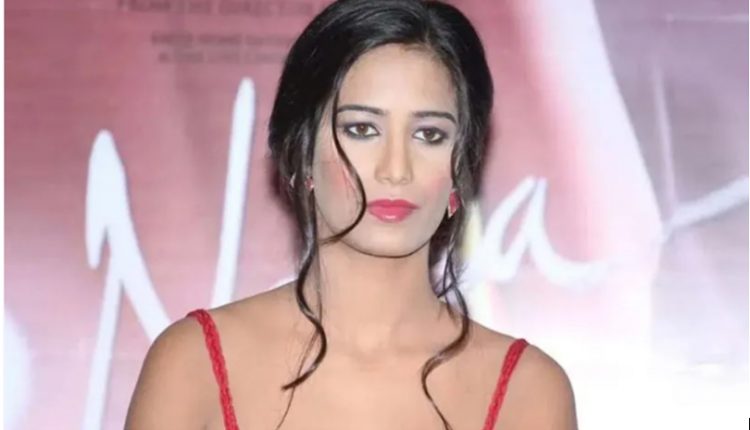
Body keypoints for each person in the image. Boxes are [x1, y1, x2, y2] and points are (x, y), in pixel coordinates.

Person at [124, 0, 577, 429]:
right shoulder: (194, 364)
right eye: (362, 129)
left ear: (461, 169)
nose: (395, 169)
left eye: (429, 135)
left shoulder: (527, 392)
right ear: (302, 154)